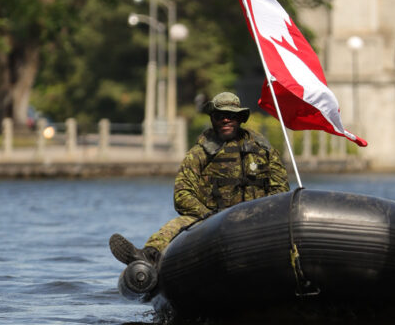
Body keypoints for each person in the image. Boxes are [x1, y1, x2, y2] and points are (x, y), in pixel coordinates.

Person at [110, 91, 291, 267]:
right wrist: (209, 215)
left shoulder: (265, 152)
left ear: (240, 118)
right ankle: (146, 258)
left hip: (257, 219)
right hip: (211, 221)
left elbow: (280, 190)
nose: (225, 120)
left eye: (230, 115)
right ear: (213, 119)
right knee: (180, 224)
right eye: (220, 116)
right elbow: (182, 195)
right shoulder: (199, 153)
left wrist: (260, 213)